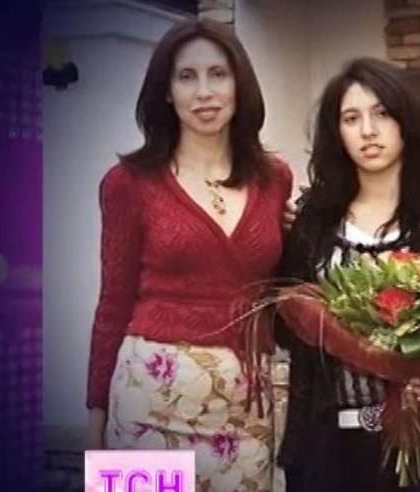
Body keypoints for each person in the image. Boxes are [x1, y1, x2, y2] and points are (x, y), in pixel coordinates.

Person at [84, 18, 293, 491]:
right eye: (186, 76)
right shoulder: (128, 184)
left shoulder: (274, 179)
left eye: (218, 74)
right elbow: (112, 304)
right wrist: (95, 420)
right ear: (166, 91)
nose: (204, 92)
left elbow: (275, 287)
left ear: (239, 84)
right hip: (149, 404)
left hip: (246, 409)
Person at [276, 57, 420, 492]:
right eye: (351, 118)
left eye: (382, 114)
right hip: (327, 445)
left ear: (405, 122)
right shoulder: (313, 221)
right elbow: (285, 324)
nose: (368, 130)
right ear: (336, 132)